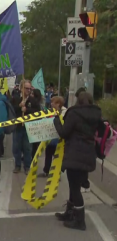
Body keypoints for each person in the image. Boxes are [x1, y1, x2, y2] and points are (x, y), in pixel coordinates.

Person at [53, 92, 101, 231]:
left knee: (74, 188)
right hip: (88, 153)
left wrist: (56, 120)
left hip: (75, 153)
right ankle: (70, 213)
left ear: (78, 101)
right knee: (75, 185)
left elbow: (64, 132)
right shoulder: (96, 114)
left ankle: (80, 221)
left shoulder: (74, 113)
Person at [12, 80, 41, 175]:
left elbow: (38, 112)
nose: (28, 90)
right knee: (17, 147)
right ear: (21, 88)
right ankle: (17, 165)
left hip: (29, 127)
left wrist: (27, 110)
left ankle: (27, 166)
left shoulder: (33, 100)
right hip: (18, 127)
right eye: (26, 88)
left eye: (30, 88)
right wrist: (19, 106)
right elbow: (12, 110)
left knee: (28, 147)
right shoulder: (16, 99)